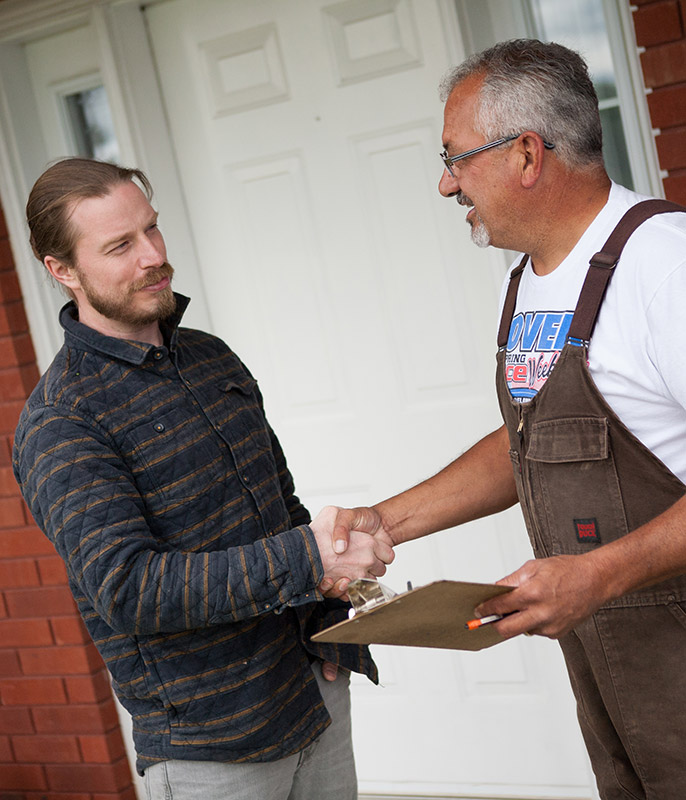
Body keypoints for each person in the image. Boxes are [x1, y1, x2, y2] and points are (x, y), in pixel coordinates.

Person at [327, 39, 686, 799]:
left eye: (456, 158)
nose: (445, 183)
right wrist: (384, 522)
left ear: (527, 154)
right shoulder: (524, 285)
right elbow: (529, 443)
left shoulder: (666, 268)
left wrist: (596, 574)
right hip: (613, 668)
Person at [12, 157, 394, 800]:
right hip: (214, 754)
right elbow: (129, 588)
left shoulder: (212, 357)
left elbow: (282, 507)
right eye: (120, 245)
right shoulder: (63, 420)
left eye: (152, 230)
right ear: (62, 271)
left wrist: (331, 616)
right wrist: (307, 556)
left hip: (313, 699)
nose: (153, 256)